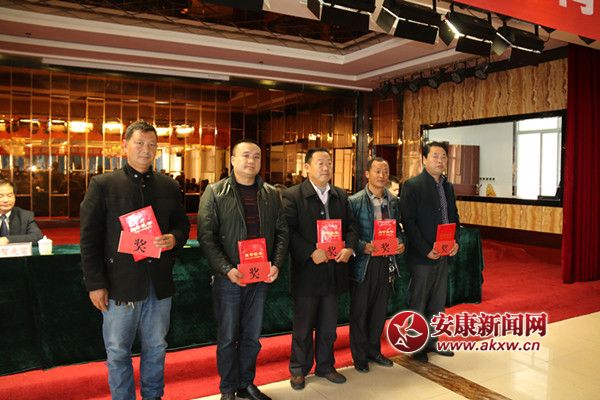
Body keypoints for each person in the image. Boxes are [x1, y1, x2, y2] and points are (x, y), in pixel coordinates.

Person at [80, 120, 190, 400]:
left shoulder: (168, 185)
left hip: (158, 283)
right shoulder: (103, 184)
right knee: (118, 351)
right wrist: (95, 284)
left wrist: (174, 238)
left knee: (157, 347)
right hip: (119, 284)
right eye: (139, 143)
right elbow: (89, 238)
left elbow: (182, 225)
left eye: (152, 144)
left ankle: (153, 396)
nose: (146, 149)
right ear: (124, 146)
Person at [198, 139, 288, 400]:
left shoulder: (271, 193)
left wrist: (276, 264)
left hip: (260, 276)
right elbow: (207, 237)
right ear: (233, 160)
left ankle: (246, 383)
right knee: (228, 337)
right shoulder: (215, 192)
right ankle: (227, 388)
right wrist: (226, 269)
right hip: (230, 278)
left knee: (252, 335)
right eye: (246, 155)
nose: (251, 161)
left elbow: (282, 232)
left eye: (256, 156)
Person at [283, 147, 359, 390]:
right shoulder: (292, 195)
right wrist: (309, 251)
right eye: (320, 163)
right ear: (307, 167)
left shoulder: (340, 195)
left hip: (334, 271)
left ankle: (325, 366)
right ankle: (299, 369)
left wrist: (350, 248)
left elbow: (352, 227)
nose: (326, 168)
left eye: (329, 163)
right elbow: (287, 231)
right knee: (303, 326)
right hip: (308, 272)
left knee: (328, 326)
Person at [399, 141, 459, 363]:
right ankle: (416, 345)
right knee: (419, 301)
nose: (440, 161)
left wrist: (455, 242)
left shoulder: (447, 186)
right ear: (424, 159)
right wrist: (426, 249)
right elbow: (409, 222)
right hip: (422, 256)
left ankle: (434, 341)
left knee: (437, 301)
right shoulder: (412, 186)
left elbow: (454, 217)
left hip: (444, 253)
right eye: (435, 156)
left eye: (443, 157)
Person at [348, 157, 405, 373]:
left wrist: (401, 243)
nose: (382, 176)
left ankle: (374, 351)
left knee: (379, 311)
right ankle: (359, 356)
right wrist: (363, 246)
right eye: (377, 171)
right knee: (360, 312)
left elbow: (398, 229)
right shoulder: (354, 201)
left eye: (385, 171)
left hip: (386, 261)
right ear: (367, 174)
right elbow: (348, 234)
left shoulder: (393, 201)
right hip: (364, 264)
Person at [0, 179, 43, 245]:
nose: (6, 200)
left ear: (15, 197)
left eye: (9, 196)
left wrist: (8, 239)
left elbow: (37, 237)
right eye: (0, 196)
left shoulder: (25, 216)